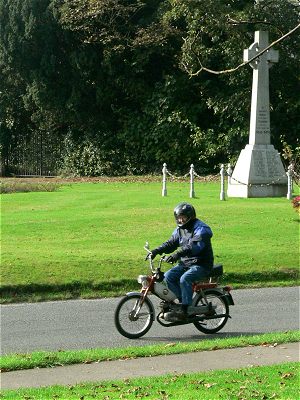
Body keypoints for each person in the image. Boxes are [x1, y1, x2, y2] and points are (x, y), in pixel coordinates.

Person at [149, 202, 214, 321]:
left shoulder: (201, 228)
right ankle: (182, 303)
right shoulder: (179, 230)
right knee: (168, 276)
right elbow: (171, 243)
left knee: (185, 279)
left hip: (201, 264)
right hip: (186, 263)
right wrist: (156, 251)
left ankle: (186, 309)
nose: (180, 220)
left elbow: (194, 246)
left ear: (191, 216)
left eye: (183, 217)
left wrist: (177, 254)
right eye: (178, 218)